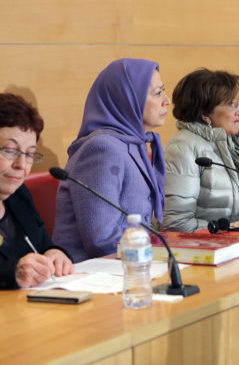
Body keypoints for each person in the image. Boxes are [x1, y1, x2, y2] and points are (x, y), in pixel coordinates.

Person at [53, 58, 170, 262]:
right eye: (158, 93)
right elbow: (102, 240)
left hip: (129, 266)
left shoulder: (133, 143)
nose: (166, 100)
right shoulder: (102, 149)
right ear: (129, 98)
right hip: (90, 275)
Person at [161, 68, 239, 232]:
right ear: (205, 114)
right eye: (231, 104)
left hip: (228, 242)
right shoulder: (182, 148)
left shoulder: (227, 142)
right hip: (200, 249)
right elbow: (176, 222)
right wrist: (229, 233)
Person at [0, 93, 73, 289]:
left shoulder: (19, 195)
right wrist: (12, 272)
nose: (22, 164)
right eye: (9, 150)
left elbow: (42, 244)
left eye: (30, 154)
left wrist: (55, 253)